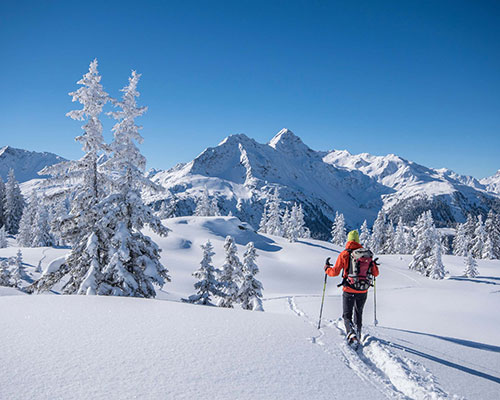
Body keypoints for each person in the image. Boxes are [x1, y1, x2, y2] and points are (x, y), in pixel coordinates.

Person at [324, 230, 379, 343]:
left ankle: (351, 334)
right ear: (358, 240)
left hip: (349, 289)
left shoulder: (344, 254)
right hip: (363, 290)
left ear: (348, 240)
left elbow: (334, 272)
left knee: (347, 315)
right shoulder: (366, 254)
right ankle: (358, 332)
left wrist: (326, 269)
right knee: (359, 312)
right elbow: (375, 273)